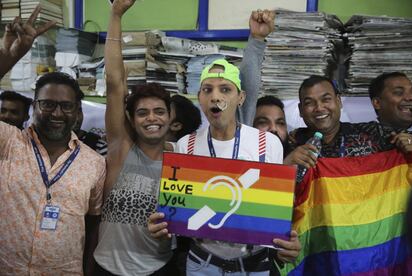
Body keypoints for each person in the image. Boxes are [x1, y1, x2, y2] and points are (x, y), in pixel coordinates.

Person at [149, 57, 301, 275]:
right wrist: (163, 225)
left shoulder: (267, 143)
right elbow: (180, 208)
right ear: (199, 98)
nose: (215, 97)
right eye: (207, 90)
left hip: (254, 265)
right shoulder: (186, 146)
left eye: (225, 89)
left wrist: (284, 246)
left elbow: (271, 212)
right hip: (202, 264)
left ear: (240, 98)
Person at [93, 1, 175, 275]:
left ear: (170, 117)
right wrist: (115, 14)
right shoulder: (121, 150)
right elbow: (115, 82)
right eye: (143, 113)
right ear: (131, 119)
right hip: (107, 268)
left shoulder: (182, 158)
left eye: (159, 111)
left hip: (159, 268)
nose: (152, 118)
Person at [0, 71, 106, 275]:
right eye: (48, 104)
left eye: (66, 106)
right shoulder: (8, 142)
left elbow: (93, 223)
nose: (57, 113)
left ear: (77, 110)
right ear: (34, 107)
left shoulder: (95, 163)